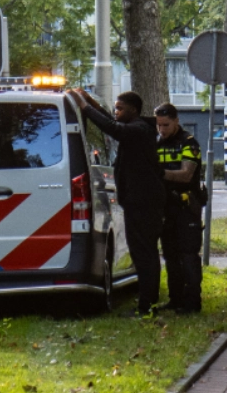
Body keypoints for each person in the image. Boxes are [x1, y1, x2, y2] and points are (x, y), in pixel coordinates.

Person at [69, 88, 166, 315]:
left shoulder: (139, 130)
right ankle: (148, 301)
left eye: (120, 109)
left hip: (142, 202)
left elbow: (112, 127)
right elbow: (112, 120)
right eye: (115, 108)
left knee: (143, 253)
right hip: (142, 201)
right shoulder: (138, 127)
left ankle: (146, 305)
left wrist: (84, 108)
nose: (116, 112)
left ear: (133, 110)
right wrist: (90, 101)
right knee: (146, 252)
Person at [154, 103, 204, 313]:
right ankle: (175, 299)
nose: (162, 130)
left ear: (176, 121)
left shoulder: (188, 143)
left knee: (189, 255)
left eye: (166, 125)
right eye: (158, 125)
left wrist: (157, 172)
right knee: (170, 255)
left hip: (186, 207)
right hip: (167, 208)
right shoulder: (157, 143)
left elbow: (186, 175)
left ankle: (192, 302)